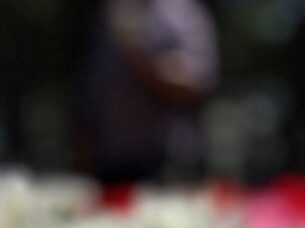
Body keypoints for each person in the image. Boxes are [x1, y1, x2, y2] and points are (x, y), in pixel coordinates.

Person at [74, 0, 218, 183]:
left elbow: (198, 83)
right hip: (109, 161)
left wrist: (144, 64)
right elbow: (91, 86)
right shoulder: (111, 11)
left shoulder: (184, 15)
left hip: (167, 161)